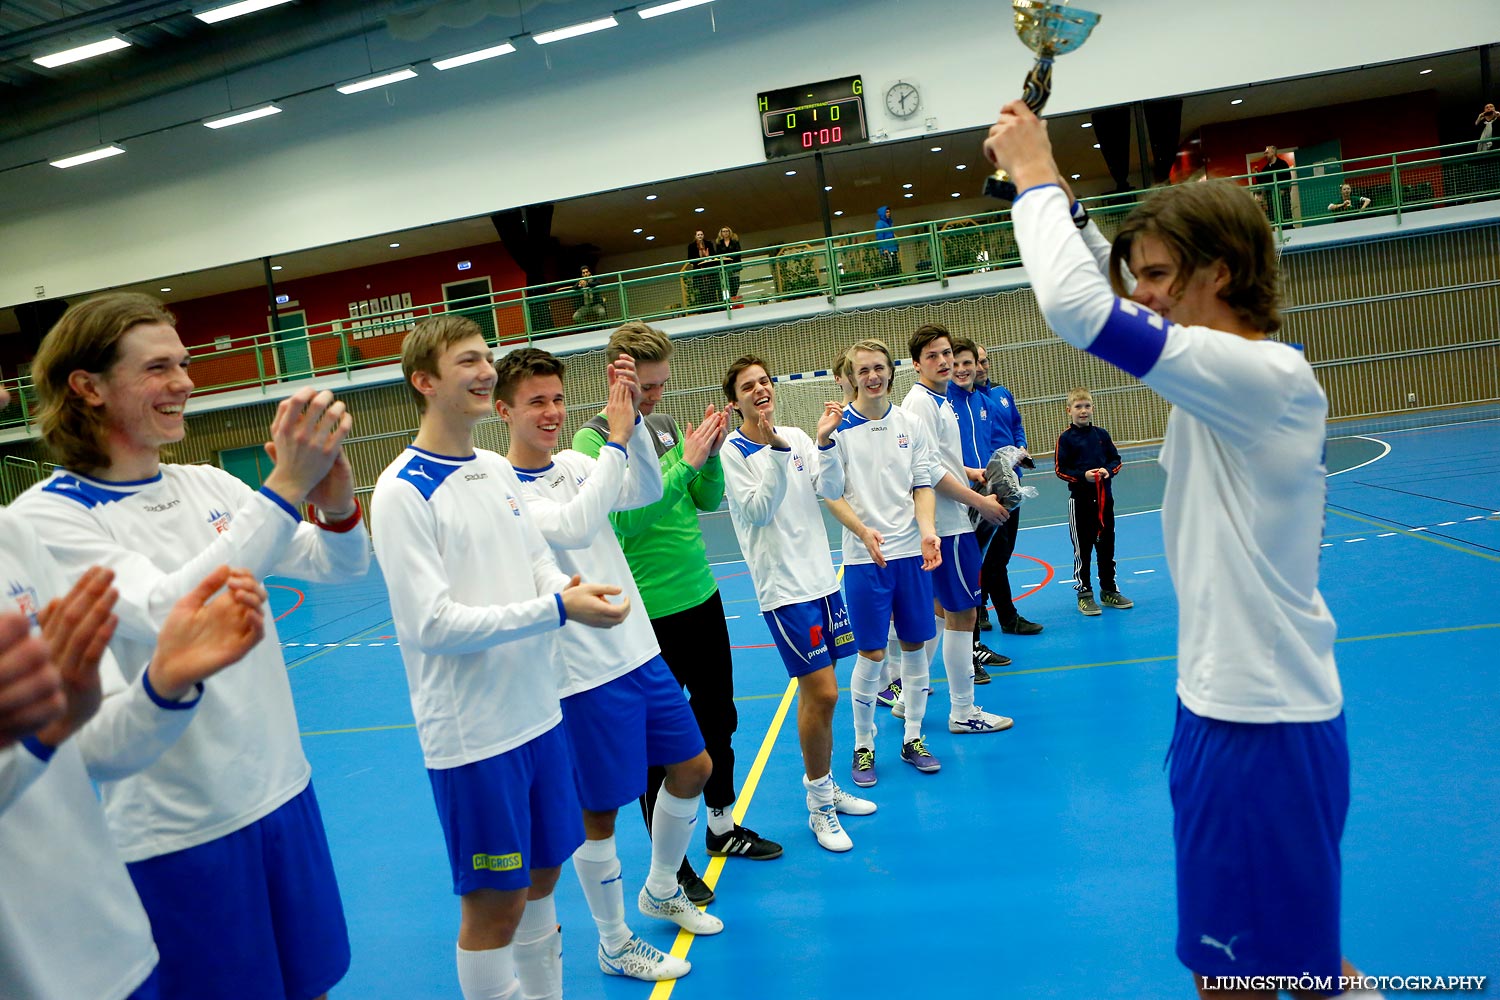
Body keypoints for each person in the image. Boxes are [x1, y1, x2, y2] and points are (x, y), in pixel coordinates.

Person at [985, 100, 1376, 999]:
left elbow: (1080, 310)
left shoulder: (1259, 376)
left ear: (1223, 271)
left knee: (1264, 978)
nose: (1144, 295)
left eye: (1159, 274)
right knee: (1270, 967)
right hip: (1227, 714)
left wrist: (1034, 173)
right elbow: (1105, 291)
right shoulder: (1230, 375)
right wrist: (1068, 209)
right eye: (1139, 276)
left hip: (1261, 726)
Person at [16, 292, 370, 1000]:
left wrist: (331, 499)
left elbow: (339, 564)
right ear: (86, 387)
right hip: (180, 831)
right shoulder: (48, 519)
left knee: (313, 984)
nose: (184, 382)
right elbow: (169, 606)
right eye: (157, 369)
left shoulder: (204, 482)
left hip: (283, 791)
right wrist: (284, 484)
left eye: (183, 363)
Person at [371, 316, 631, 1000]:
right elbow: (432, 624)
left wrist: (574, 592)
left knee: (544, 873)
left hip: (538, 715)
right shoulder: (401, 491)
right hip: (473, 739)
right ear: (425, 382)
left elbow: (538, 562)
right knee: (494, 905)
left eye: (486, 357)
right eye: (468, 361)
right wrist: (555, 610)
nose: (487, 370)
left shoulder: (492, 469)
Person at [498, 346, 722, 981]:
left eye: (558, 400)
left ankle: (659, 886)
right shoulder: (507, 490)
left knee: (694, 766)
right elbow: (573, 525)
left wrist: (636, 429)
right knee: (600, 812)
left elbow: (645, 488)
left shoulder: (575, 461)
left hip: (637, 649)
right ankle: (615, 939)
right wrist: (618, 441)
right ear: (504, 410)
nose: (550, 412)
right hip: (582, 670)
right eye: (536, 401)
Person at [572, 322, 783, 889]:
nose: (657, 397)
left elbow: (706, 500)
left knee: (720, 717)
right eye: (646, 387)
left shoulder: (663, 425)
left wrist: (707, 458)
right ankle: (673, 863)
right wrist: (684, 464)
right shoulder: (592, 444)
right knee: (659, 743)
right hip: (650, 612)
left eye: (662, 384)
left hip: (701, 596)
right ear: (619, 378)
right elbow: (622, 523)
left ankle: (721, 825)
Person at [719, 355, 877, 852]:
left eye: (765, 381)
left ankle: (826, 786)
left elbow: (829, 489)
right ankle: (818, 806)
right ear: (735, 401)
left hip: (821, 582)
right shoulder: (735, 451)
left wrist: (825, 442)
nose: (760, 390)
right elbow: (760, 510)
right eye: (749, 387)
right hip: (785, 592)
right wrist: (775, 451)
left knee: (821, 696)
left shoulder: (799, 436)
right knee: (825, 694)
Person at [822, 337, 944, 784]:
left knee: (914, 646)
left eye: (879, 368)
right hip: (863, 558)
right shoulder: (838, 431)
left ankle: (913, 737)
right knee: (872, 654)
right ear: (851, 377)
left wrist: (928, 530)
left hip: (912, 554)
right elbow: (831, 494)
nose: (873, 376)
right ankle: (863, 745)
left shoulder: (910, 424)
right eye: (864, 370)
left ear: (891, 372)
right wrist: (861, 532)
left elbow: (923, 485)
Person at [897, 324, 1013, 735]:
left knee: (945, 612)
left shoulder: (939, 399)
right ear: (915, 364)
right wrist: (979, 501)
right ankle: (963, 712)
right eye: (933, 356)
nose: (944, 361)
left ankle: (907, 697)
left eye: (946, 353)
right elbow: (926, 470)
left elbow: (939, 458)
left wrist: (972, 472)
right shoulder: (920, 404)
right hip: (946, 524)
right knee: (963, 614)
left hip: (946, 520)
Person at [949, 337, 1042, 641]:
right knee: (983, 559)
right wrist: (988, 475)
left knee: (999, 554)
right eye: (967, 362)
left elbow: (1016, 426)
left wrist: (1020, 449)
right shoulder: (953, 402)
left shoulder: (995, 398)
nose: (978, 367)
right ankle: (994, 617)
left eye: (980, 361)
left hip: (1008, 483)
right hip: (981, 488)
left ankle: (992, 615)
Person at [1054, 387, 1132, 616]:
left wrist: (1108, 471)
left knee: (1107, 547)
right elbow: (1060, 469)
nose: (1083, 410)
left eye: (1087, 406)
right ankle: (1084, 593)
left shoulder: (1101, 435)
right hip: (1080, 503)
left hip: (1105, 501)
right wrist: (1082, 477)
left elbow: (1115, 459)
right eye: (1078, 406)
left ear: (1093, 408)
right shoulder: (1065, 439)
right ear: (1069, 410)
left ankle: (1109, 590)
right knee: (1083, 549)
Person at [1254, 145, 1294, 224]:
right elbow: (1262, 182)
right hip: (1271, 200)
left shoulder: (1283, 164)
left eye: (1267, 152)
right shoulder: (1265, 169)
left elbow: (1288, 179)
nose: (1265, 154)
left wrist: (1283, 190)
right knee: (1272, 219)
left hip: (1283, 198)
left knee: (1286, 218)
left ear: (1273, 153)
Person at [686, 230, 719, 308]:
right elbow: (690, 259)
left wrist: (708, 258)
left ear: (703, 235)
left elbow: (714, 255)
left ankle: (714, 307)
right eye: (698, 235)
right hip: (699, 269)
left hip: (709, 269)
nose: (700, 236)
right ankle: (704, 308)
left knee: (712, 290)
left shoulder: (708, 244)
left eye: (701, 234)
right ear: (695, 236)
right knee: (701, 291)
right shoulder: (691, 246)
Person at [713, 227, 744, 300]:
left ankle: (733, 298)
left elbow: (738, 252)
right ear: (721, 233)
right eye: (723, 231)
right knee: (728, 283)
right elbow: (718, 254)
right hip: (725, 266)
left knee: (736, 283)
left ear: (730, 232)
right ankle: (729, 299)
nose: (725, 233)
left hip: (735, 265)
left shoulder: (735, 241)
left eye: (727, 231)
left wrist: (729, 257)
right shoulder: (719, 243)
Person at [874, 206, 900, 278]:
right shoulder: (880, 224)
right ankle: (881, 282)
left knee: (894, 266)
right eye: (886, 212)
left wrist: (896, 246)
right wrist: (884, 249)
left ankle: (896, 282)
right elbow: (880, 237)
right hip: (888, 249)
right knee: (889, 267)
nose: (888, 213)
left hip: (892, 248)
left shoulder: (889, 222)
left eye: (889, 212)